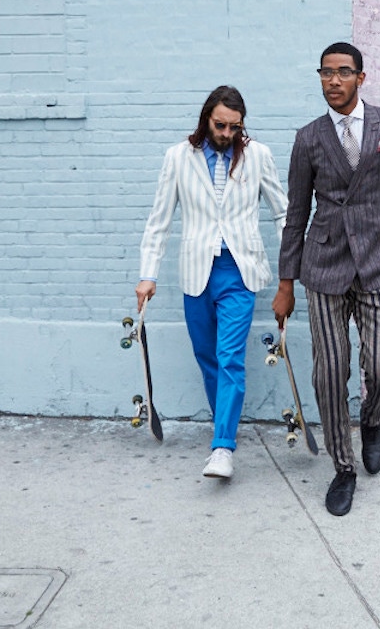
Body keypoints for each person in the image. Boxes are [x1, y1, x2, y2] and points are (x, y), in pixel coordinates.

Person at [273, 42, 380, 517]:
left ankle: (371, 420)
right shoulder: (308, 138)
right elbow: (296, 214)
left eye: (344, 73)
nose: (334, 81)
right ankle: (342, 467)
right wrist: (286, 283)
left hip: (378, 264)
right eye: (326, 73)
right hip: (322, 269)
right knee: (329, 371)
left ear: (361, 78)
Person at [136, 86, 288, 479]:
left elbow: (282, 214)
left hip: (239, 271)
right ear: (207, 119)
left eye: (234, 127)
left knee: (230, 357)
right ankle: (225, 426)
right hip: (196, 272)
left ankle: (222, 447)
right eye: (220, 125)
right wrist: (147, 275)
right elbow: (160, 221)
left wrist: (292, 269)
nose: (226, 133)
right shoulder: (177, 158)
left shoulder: (258, 156)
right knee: (207, 359)